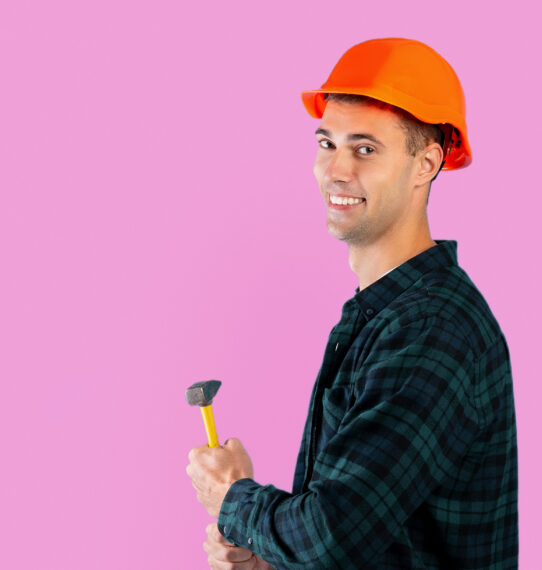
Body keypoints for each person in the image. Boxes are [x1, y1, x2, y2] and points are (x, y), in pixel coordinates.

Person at [185, 38, 518, 569]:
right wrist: (269, 561)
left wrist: (233, 497)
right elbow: (366, 529)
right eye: (326, 143)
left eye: (365, 149)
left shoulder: (431, 327)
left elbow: (331, 536)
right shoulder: (379, 316)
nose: (336, 170)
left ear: (425, 164)